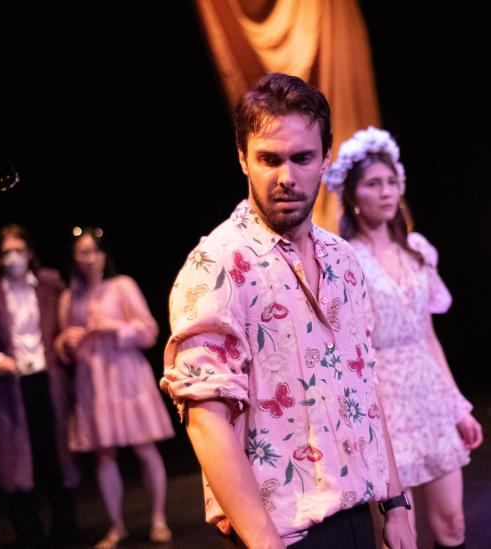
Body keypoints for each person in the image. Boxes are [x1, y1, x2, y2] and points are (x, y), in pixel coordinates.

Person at [161, 73, 416, 549]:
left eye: (302, 158)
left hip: (356, 514)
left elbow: (364, 383)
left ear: (325, 158)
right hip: (279, 532)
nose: (286, 177)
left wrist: (396, 503)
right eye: (269, 159)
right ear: (243, 158)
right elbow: (206, 420)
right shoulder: (216, 264)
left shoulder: (342, 259)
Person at [325, 126, 483, 549]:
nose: (386, 192)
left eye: (391, 182)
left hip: (428, 393)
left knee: (453, 522)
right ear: (352, 195)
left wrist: (457, 404)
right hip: (383, 399)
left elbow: (428, 336)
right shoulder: (344, 258)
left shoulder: (417, 250)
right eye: (373, 184)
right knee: (398, 535)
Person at [0, 224, 80, 548]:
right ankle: (30, 536)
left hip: (48, 381)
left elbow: (68, 321)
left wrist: (67, 342)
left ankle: (65, 531)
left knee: (56, 457)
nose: (14, 257)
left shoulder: (50, 284)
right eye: (7, 252)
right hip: (11, 387)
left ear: (29, 252)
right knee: (18, 464)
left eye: (19, 250)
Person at [54, 226, 174, 548]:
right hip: (93, 382)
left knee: (145, 447)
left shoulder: (122, 286)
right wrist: (66, 343)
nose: (91, 258)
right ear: (75, 258)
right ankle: (117, 525)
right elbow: (64, 347)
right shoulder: (69, 297)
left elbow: (149, 331)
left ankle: (159, 518)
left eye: (95, 251)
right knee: (104, 454)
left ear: (104, 255)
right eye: (84, 253)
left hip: (126, 376)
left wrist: (114, 327)